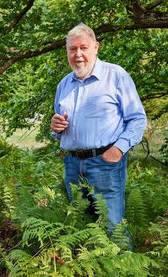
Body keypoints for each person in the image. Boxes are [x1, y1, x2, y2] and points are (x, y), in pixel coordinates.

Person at [50, 23, 147, 229]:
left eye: (83, 48)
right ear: (66, 51)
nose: (78, 54)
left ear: (96, 47)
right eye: (72, 49)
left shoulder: (116, 76)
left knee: (113, 227)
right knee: (80, 226)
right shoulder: (63, 85)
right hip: (73, 166)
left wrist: (118, 149)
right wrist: (56, 128)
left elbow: (138, 119)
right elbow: (59, 132)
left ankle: (122, 262)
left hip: (106, 163)